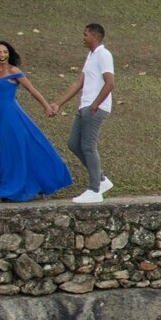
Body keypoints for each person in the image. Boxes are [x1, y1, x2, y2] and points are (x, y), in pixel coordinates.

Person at [0, 41, 73, 203]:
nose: (2, 55)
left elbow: (31, 89)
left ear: (9, 54)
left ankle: (6, 190)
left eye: (5, 52)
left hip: (12, 116)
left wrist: (46, 106)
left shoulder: (14, 71)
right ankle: (13, 182)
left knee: (12, 152)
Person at [50, 22, 115, 203]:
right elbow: (79, 82)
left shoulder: (104, 54)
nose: (83, 37)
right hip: (84, 107)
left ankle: (95, 190)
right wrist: (58, 104)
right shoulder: (91, 55)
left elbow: (110, 83)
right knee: (73, 143)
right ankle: (101, 179)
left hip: (95, 108)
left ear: (95, 36)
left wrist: (95, 105)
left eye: (85, 34)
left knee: (88, 146)